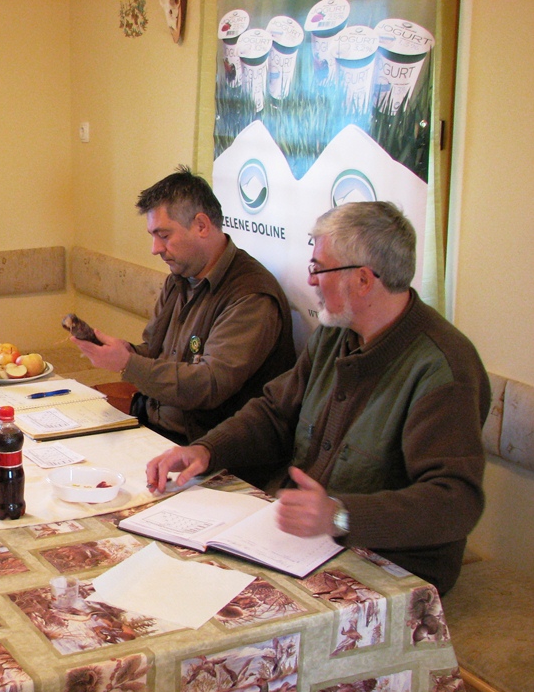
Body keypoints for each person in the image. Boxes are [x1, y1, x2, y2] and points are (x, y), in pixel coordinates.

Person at [146, 201, 490, 595]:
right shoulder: (335, 333)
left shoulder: (442, 367)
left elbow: (455, 501)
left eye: (319, 269)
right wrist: (207, 450)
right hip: (302, 543)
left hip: (391, 566)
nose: (311, 281)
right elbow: (276, 413)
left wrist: (341, 516)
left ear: (363, 280)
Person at [70, 167, 295, 469]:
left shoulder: (251, 296)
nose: (155, 249)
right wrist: (124, 352)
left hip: (209, 452)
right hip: (156, 429)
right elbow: (155, 353)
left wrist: (127, 364)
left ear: (201, 225)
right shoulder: (180, 278)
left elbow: (209, 385)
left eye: (164, 236)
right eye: (153, 236)